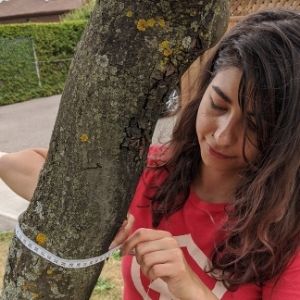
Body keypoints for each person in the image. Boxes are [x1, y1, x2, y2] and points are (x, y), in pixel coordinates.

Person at [1, 9, 300, 299]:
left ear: (286, 136)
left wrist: (189, 287)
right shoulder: (154, 170)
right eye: (218, 105)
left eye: (254, 125)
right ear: (204, 90)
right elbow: (16, 164)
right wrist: (88, 208)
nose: (222, 135)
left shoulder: (287, 230)